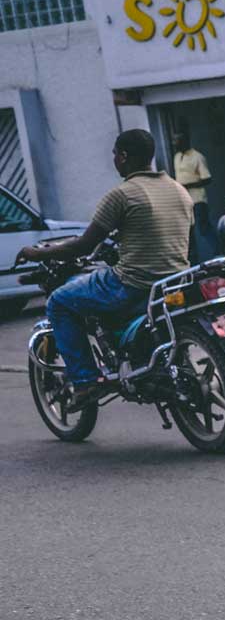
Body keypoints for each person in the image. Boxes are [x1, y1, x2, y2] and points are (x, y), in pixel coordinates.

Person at [19, 130, 193, 410]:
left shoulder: (122, 194)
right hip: (174, 282)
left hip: (131, 285)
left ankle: (86, 382)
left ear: (123, 157)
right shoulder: (178, 189)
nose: (114, 159)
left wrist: (36, 253)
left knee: (60, 302)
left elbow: (84, 246)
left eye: (115, 153)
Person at [173, 131, 215, 262]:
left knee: (203, 228)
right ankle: (193, 259)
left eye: (177, 141)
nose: (174, 143)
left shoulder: (197, 157)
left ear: (185, 141)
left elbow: (207, 179)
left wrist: (188, 185)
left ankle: (218, 252)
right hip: (183, 201)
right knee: (187, 230)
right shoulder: (177, 156)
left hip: (197, 199)